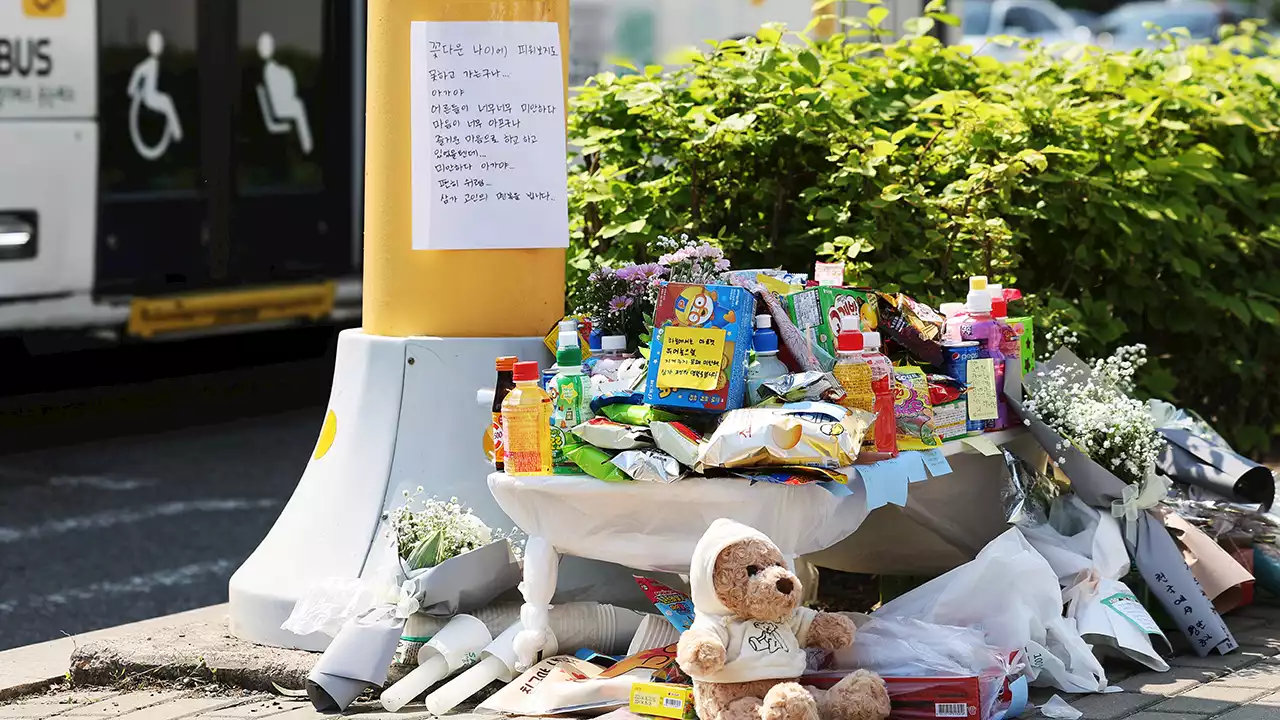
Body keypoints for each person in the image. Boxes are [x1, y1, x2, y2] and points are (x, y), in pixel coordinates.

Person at [257, 32, 313, 155]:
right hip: (279, 109)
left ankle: (307, 145)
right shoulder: (270, 70)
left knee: (298, 105)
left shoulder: (272, 69)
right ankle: (307, 146)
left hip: (280, 106)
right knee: (298, 107)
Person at [127, 31, 183, 143]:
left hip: (152, 96)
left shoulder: (158, 64)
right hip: (150, 97)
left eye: (159, 43)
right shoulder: (144, 66)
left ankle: (176, 132)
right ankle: (177, 133)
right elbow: (131, 90)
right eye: (156, 43)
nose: (158, 46)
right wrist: (140, 93)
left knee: (167, 100)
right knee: (167, 101)